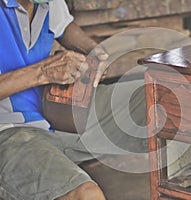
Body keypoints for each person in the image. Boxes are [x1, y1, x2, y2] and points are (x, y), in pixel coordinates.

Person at [0, 0, 148, 199]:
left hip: (55, 110)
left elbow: (64, 26)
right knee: (86, 196)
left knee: (160, 99)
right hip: (9, 130)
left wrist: (93, 50)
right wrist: (44, 72)